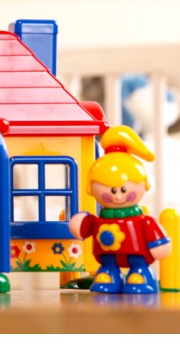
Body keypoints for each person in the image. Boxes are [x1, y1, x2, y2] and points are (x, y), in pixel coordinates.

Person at [69, 125, 172, 294]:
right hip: (107, 259)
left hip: (137, 259)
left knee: (138, 275)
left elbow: (152, 230)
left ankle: (141, 276)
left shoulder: (142, 220)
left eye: (123, 190)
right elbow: (87, 227)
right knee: (106, 274)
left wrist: (159, 244)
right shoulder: (101, 218)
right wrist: (81, 223)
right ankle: (110, 276)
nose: (118, 197)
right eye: (111, 191)